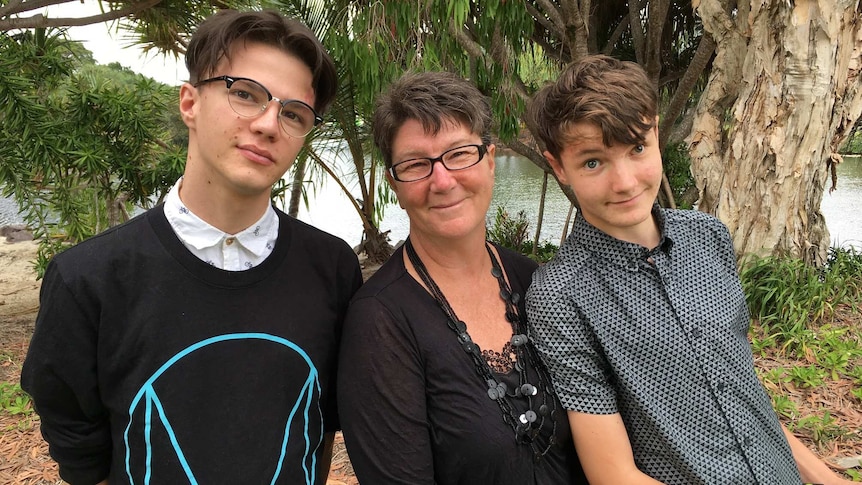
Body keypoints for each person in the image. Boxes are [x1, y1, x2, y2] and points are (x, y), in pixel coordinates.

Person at [21, 10, 362, 485]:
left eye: (293, 114)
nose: (268, 125)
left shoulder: (332, 269)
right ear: (189, 102)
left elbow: (316, 428)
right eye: (245, 94)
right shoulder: (88, 279)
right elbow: (78, 445)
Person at [525, 54, 855, 485]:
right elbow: (613, 475)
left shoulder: (708, 236)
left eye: (637, 148)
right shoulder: (561, 295)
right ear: (558, 167)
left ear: (656, 133)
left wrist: (829, 479)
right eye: (593, 162)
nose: (624, 182)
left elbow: (743, 395)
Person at [337, 71, 587, 485]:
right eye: (416, 164)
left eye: (458, 154)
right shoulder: (380, 324)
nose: (442, 180)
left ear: (489, 161)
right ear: (394, 184)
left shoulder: (534, 281)